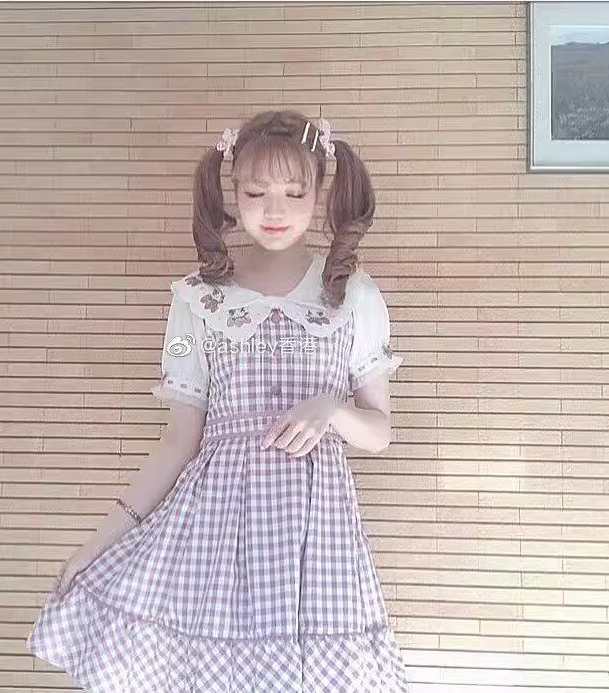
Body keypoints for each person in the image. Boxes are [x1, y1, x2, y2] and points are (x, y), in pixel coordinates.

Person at [25, 109, 409, 692]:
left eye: (293, 192)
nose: (274, 209)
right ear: (233, 191)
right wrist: (95, 546)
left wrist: (331, 410)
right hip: (213, 530)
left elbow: (379, 432)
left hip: (315, 537)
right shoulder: (197, 300)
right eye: (255, 192)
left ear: (319, 193)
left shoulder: (353, 295)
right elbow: (178, 440)